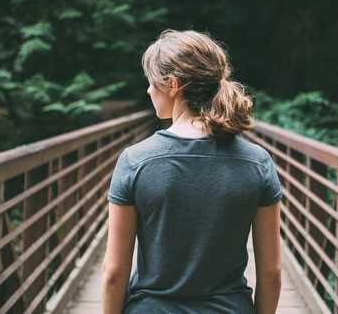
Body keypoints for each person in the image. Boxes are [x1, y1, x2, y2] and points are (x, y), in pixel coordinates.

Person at [102, 29, 285, 314]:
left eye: (152, 83)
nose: (149, 91)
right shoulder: (257, 162)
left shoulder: (135, 161)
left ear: (173, 85)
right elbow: (271, 274)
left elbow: (115, 273)